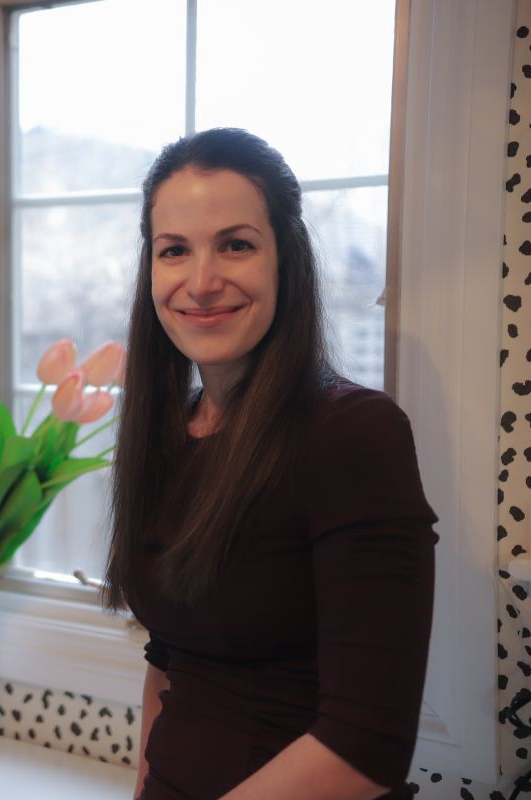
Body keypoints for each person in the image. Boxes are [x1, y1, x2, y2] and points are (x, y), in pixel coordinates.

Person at [105, 128, 436, 800]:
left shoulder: (356, 436)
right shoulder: (168, 436)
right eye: (174, 251)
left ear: (285, 257)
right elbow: (170, 659)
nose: (201, 282)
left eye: (236, 244)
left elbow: (367, 747)